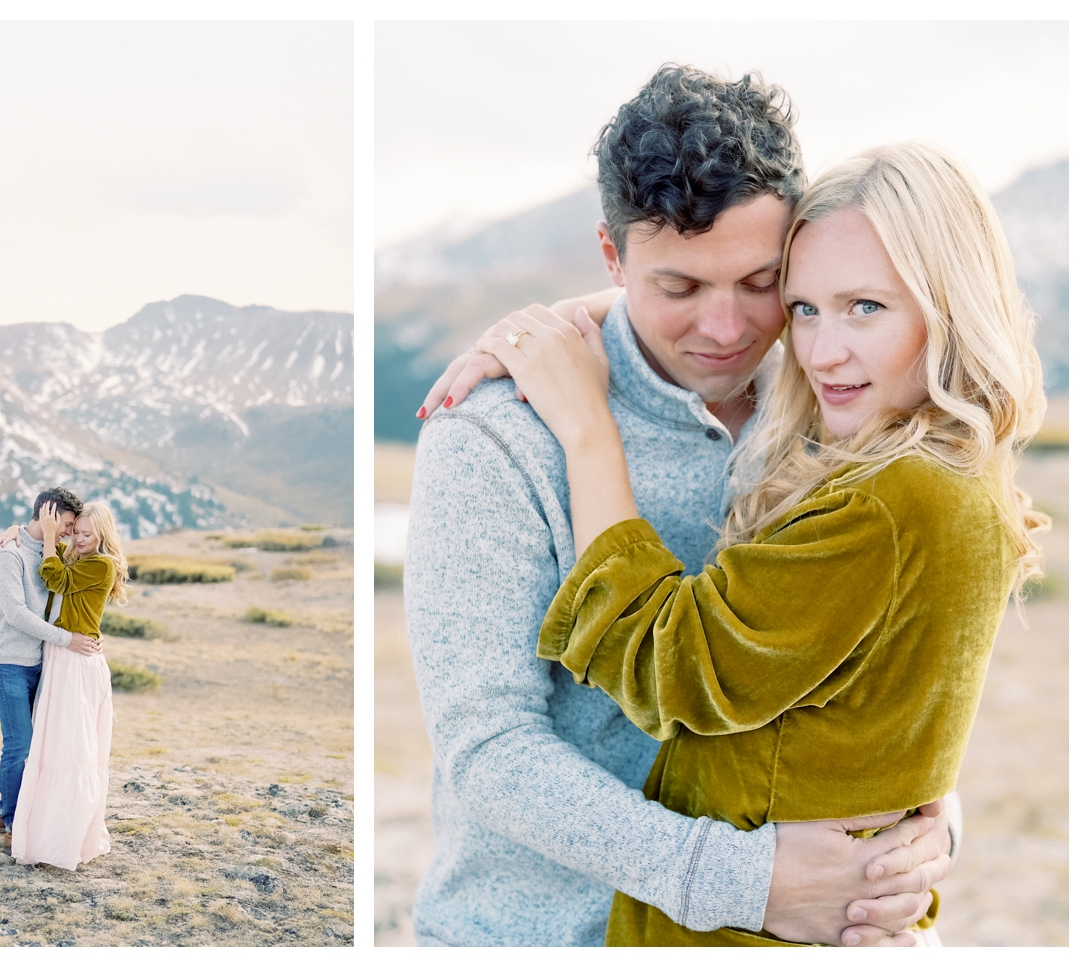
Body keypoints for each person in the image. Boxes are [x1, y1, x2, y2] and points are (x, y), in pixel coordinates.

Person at [404, 65, 958, 947]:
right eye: (679, 289)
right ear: (612, 256)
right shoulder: (495, 434)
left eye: (760, 281)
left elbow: (895, 662)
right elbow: (488, 753)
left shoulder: (839, 397)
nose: (729, 327)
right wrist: (745, 881)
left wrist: (922, 833)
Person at [10, 501, 128, 870]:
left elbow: (54, 578)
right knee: (54, 749)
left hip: (77, 663)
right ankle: (45, 835)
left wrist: (49, 538)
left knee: (71, 753)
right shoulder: (77, 556)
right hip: (62, 657)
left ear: (102, 536)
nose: (77, 540)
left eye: (86, 534)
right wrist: (13, 532)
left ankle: (65, 841)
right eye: (74, 532)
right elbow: (44, 552)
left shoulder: (100, 563)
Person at [0, 487, 102, 846]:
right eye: (66, 523)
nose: (69, 531)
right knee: (19, 743)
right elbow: (16, 613)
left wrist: (86, 633)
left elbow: (73, 595)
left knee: (39, 746)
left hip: (42, 662)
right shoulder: (9, 555)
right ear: (48, 514)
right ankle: (12, 822)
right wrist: (67, 640)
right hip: (8, 662)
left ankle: (17, 810)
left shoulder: (55, 552)